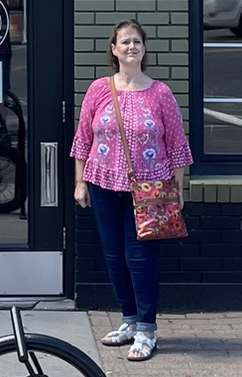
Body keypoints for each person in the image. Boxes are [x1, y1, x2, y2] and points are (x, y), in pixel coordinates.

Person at [70, 19, 193, 363]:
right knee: (113, 256)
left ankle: (147, 329)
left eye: (137, 41)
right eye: (124, 42)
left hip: (150, 188)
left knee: (140, 259)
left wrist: (177, 190)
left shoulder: (160, 93)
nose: (131, 47)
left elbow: (177, 144)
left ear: (144, 49)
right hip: (103, 183)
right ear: (114, 50)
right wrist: (80, 182)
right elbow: (83, 139)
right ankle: (128, 320)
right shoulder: (98, 90)